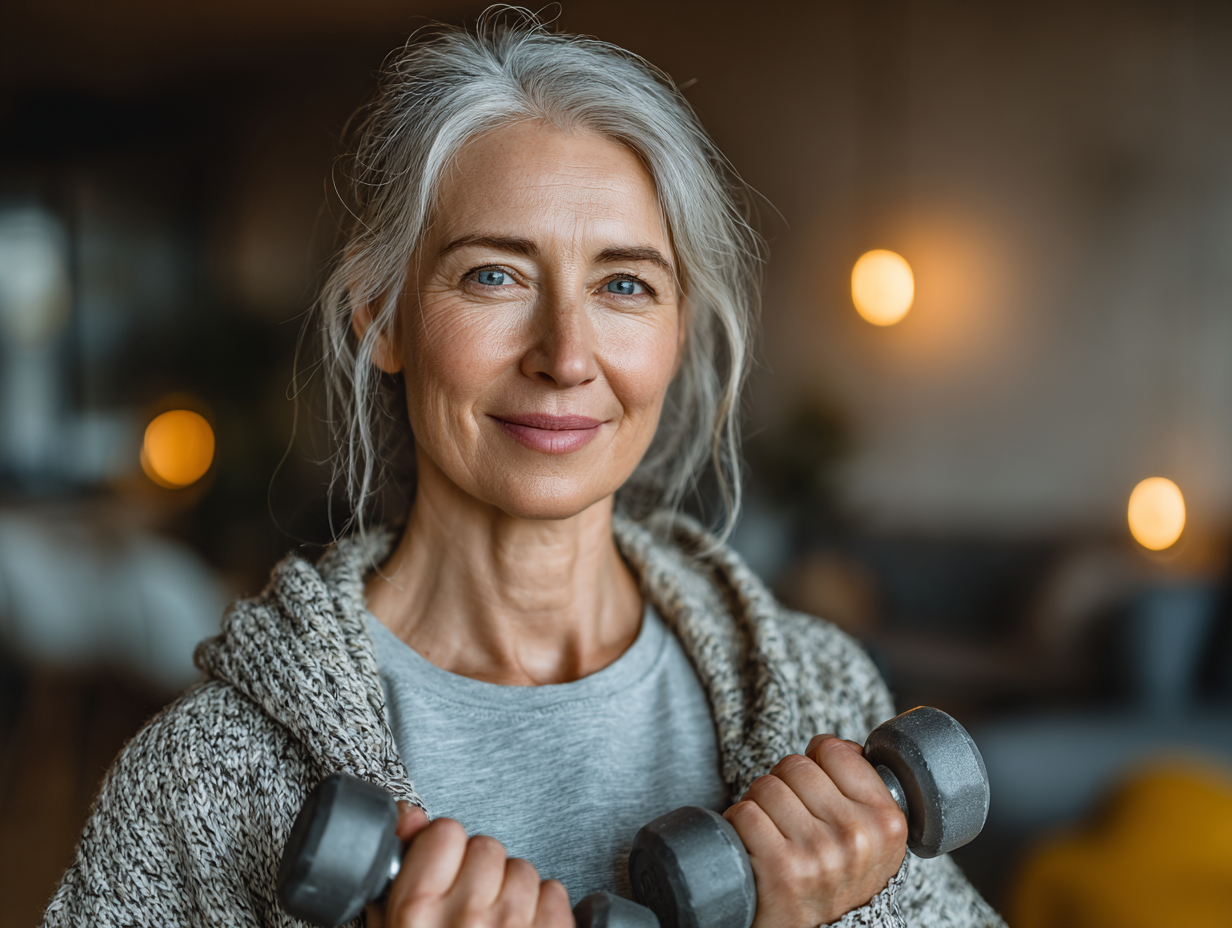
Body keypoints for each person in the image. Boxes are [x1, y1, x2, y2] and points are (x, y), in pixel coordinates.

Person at [45, 11, 1004, 928]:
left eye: (624, 284)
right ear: (380, 317)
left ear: (677, 335)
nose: (566, 355)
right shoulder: (210, 772)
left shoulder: (820, 693)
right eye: (494, 274)